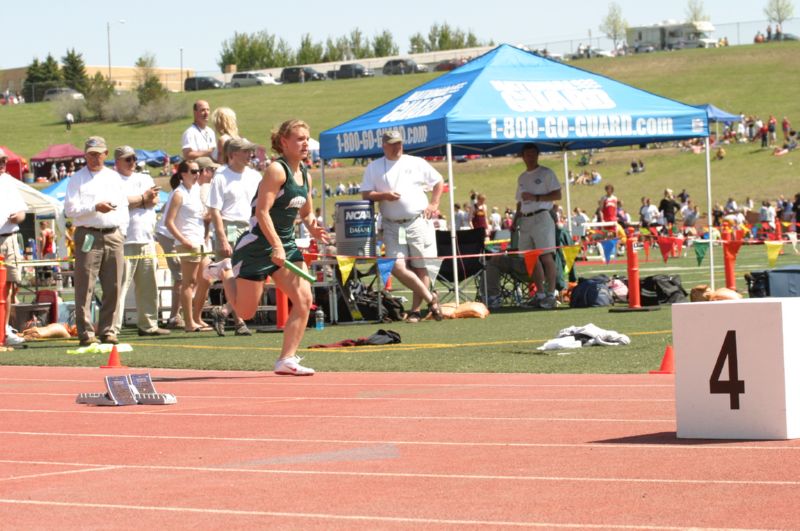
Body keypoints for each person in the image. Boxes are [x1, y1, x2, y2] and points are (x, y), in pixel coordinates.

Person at [206, 119, 329, 376]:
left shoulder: (304, 172)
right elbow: (262, 212)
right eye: (299, 138)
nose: (305, 143)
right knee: (245, 312)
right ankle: (224, 272)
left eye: (307, 138)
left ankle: (286, 359)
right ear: (284, 142)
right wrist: (276, 246)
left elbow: (305, 212)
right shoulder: (276, 170)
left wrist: (313, 226)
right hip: (258, 246)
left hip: (286, 244)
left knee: (304, 300)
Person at [360, 130, 444, 323]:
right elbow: (366, 194)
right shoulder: (374, 167)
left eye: (399, 143)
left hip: (417, 221)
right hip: (391, 225)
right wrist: (384, 196)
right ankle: (432, 299)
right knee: (396, 265)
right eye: (392, 144)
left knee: (421, 267)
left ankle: (415, 310)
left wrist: (434, 204)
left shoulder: (415, 162)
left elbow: (438, 181)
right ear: (384, 145)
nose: (397, 147)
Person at [64, 136, 129, 346]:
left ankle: (108, 329)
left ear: (106, 154)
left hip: (113, 233)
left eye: (99, 153)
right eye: (91, 154)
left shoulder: (114, 177)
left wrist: (122, 232)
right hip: (88, 233)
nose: (95, 158)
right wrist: (94, 207)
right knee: (85, 285)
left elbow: (124, 206)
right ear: (85, 155)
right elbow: (69, 210)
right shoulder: (77, 178)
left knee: (114, 285)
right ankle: (86, 332)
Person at [205, 138, 262, 336]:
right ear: (233, 154)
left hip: (251, 227)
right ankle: (238, 321)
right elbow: (215, 211)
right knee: (231, 274)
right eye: (245, 151)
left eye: (250, 151)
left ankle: (224, 310)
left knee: (253, 275)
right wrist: (221, 238)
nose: (250, 155)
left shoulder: (255, 176)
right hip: (229, 226)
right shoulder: (221, 176)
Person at [111, 146, 170, 338]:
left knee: (149, 287)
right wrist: (142, 199)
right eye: (128, 159)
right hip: (124, 240)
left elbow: (153, 200)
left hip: (146, 239)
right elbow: (118, 203)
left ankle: (149, 325)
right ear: (118, 161)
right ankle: (113, 327)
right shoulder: (112, 180)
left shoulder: (144, 177)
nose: (132, 162)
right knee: (119, 287)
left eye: (134, 158)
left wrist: (140, 200)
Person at [164, 160, 212, 332]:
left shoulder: (196, 190)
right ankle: (189, 322)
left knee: (206, 278)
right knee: (189, 282)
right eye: (193, 171)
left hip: (200, 241)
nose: (196, 174)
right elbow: (168, 222)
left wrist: (206, 225)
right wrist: (183, 240)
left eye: (198, 170)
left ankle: (197, 317)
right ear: (183, 174)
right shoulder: (178, 193)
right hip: (188, 242)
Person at [513, 143, 562, 310]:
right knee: (530, 257)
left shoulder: (546, 173)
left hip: (542, 216)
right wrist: (515, 219)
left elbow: (558, 194)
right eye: (527, 154)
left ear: (538, 155)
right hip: (525, 219)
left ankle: (551, 294)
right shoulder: (521, 177)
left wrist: (536, 197)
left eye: (533, 153)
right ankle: (540, 294)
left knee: (546, 256)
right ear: (523, 156)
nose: (531, 156)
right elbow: (520, 201)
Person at [0, 149, 27, 346]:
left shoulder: (9, 182)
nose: (1, 164)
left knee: (8, 287)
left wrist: (19, 216)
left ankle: (4, 329)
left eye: (3, 161)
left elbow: (22, 211)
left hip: (9, 238)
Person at [154, 173, 185, 329]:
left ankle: (180, 314)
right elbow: (169, 223)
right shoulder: (178, 193)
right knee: (181, 277)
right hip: (170, 237)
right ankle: (175, 316)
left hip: (174, 237)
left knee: (186, 277)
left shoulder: (182, 192)